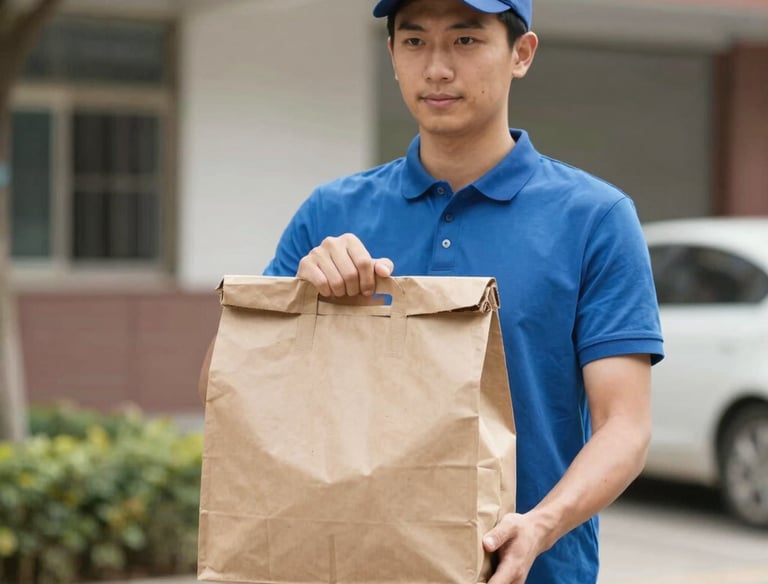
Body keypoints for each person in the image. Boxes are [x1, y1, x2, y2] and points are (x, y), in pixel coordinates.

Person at [200, 0, 664, 582]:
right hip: (340, 566)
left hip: (527, 571)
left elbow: (625, 426)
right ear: (392, 55)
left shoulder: (594, 218)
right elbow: (220, 391)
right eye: (415, 41)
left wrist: (541, 526)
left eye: (465, 41)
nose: (437, 69)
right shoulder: (330, 213)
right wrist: (299, 301)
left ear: (521, 54)